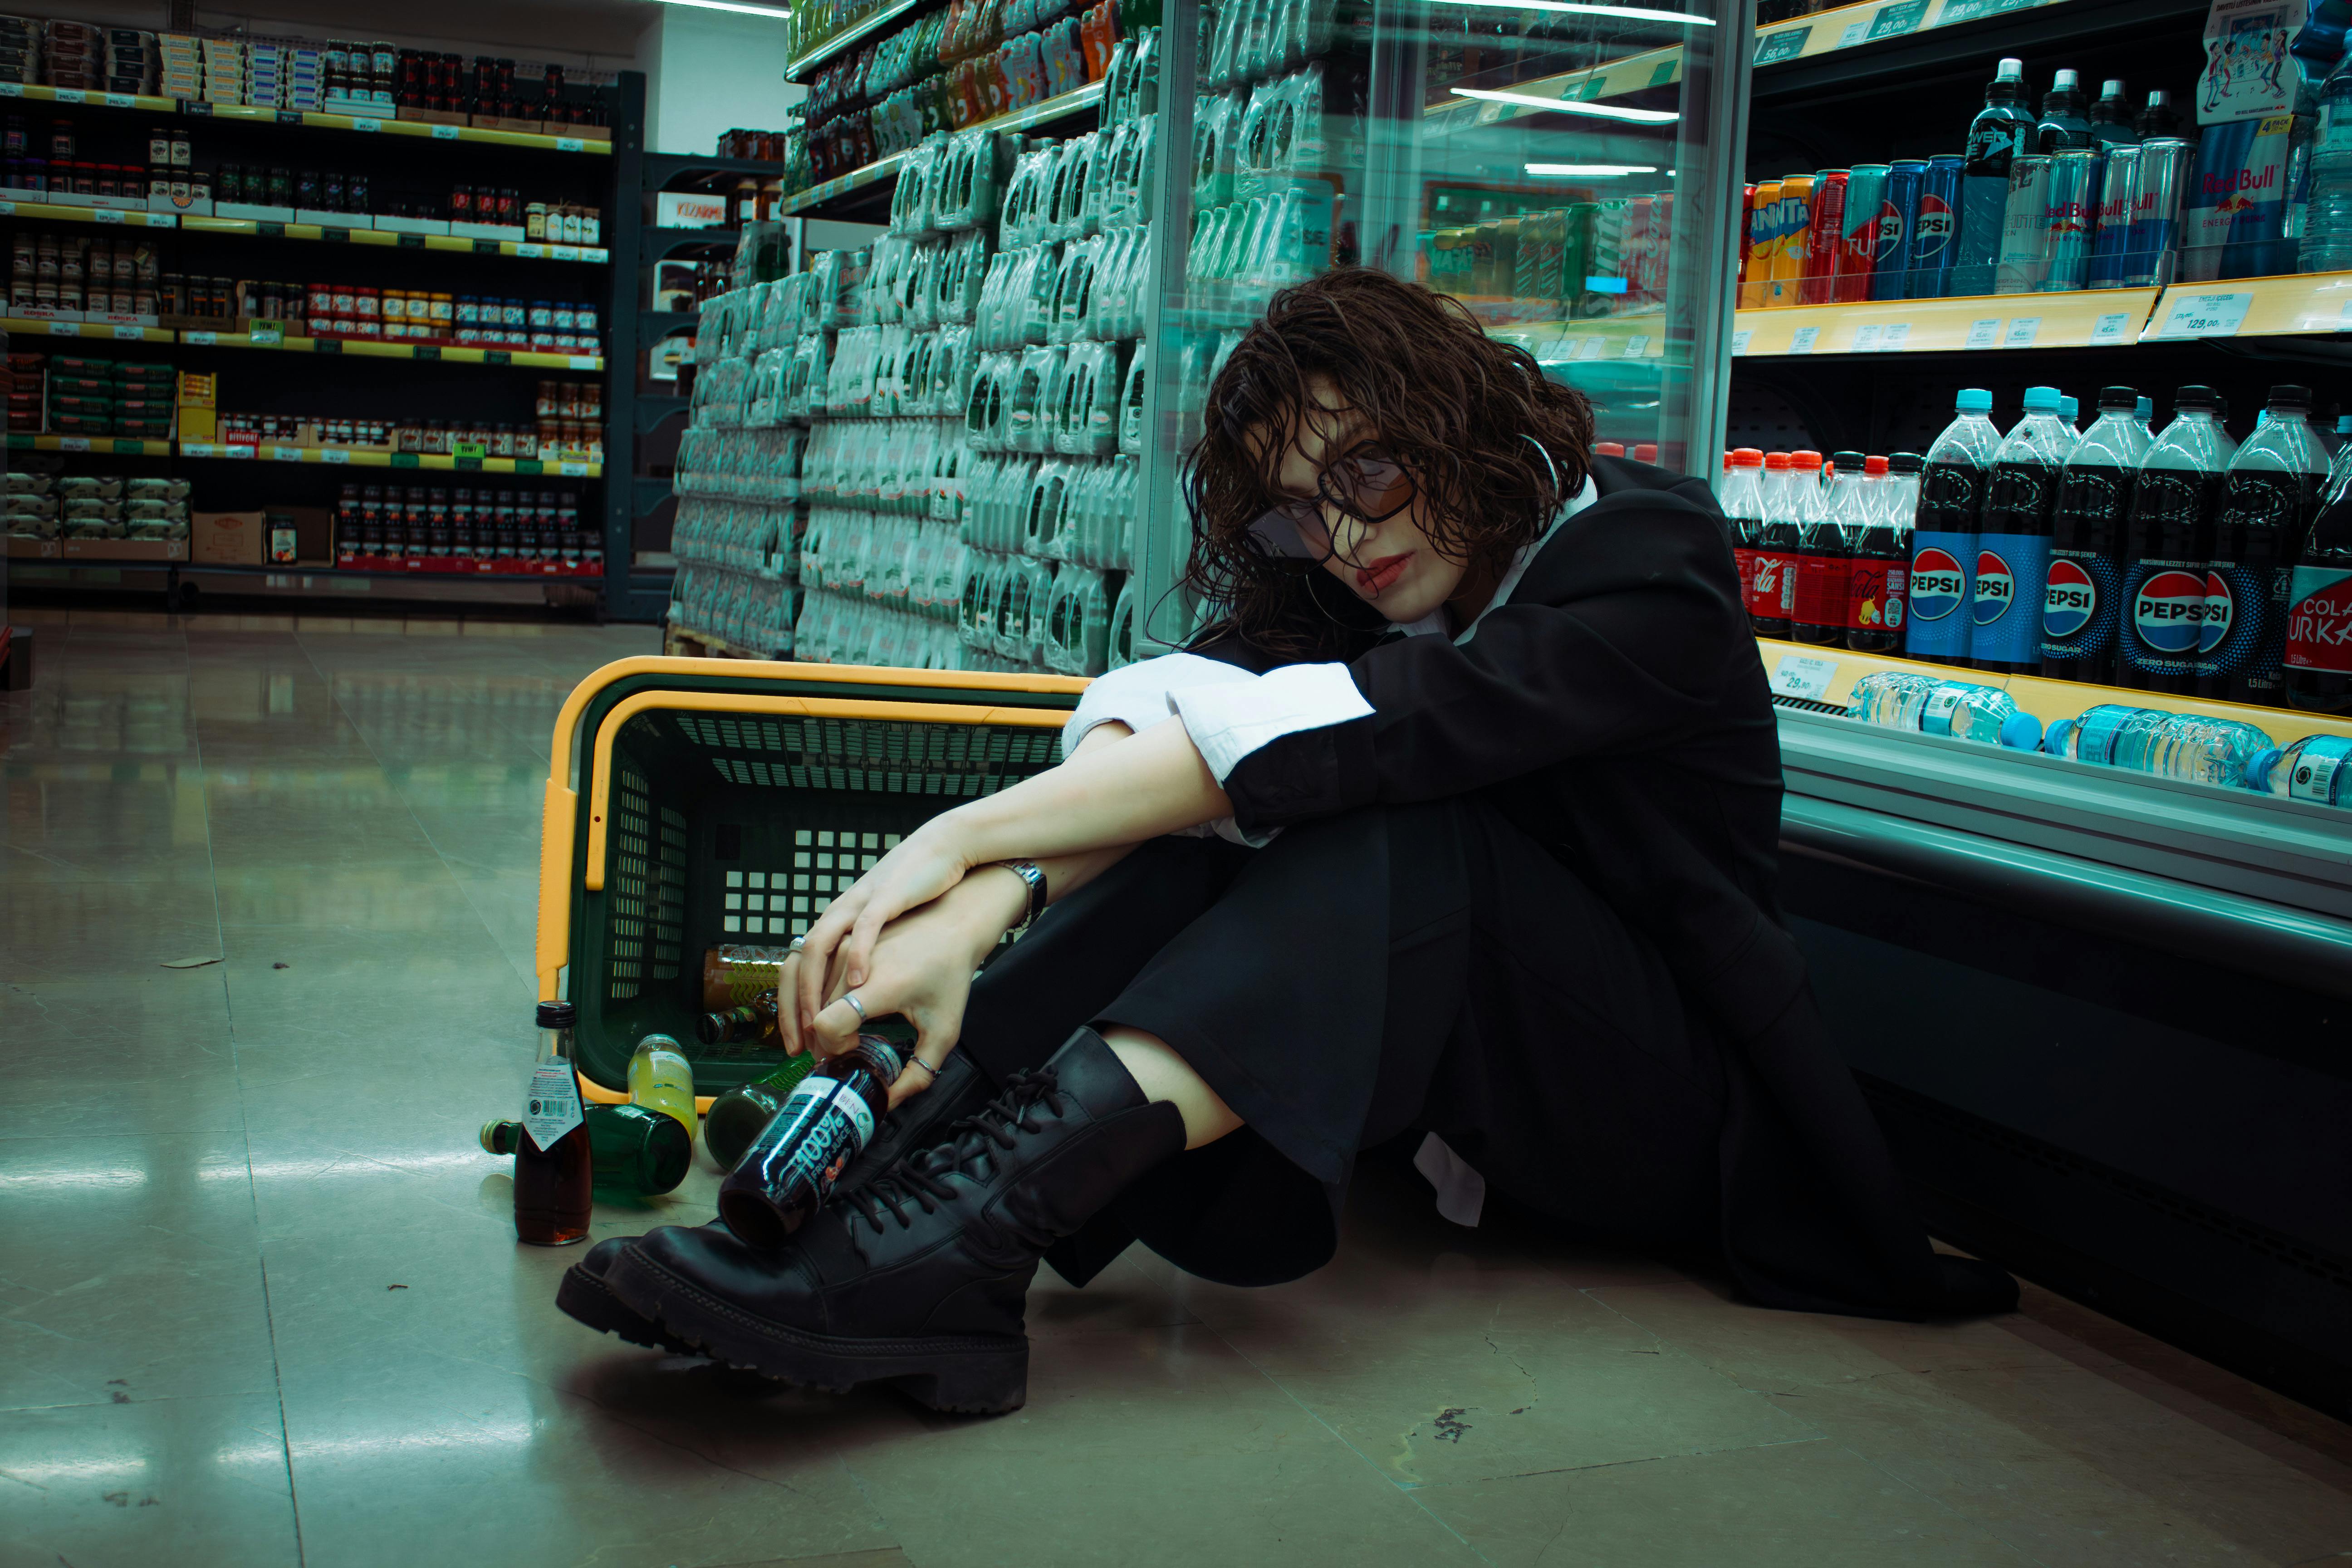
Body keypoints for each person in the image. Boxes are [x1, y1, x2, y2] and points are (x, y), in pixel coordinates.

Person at [560, 269, 2017, 1413]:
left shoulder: (1653, 561)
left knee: (1393, 823)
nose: (1347, 536)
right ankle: (876, 1207)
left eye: (1368, 474)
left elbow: (1364, 733)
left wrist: (950, 842)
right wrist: (980, 901)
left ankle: (970, 1237)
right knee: (1204, 844)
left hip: (1667, 1106)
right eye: (1302, 517)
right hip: (1479, 1094)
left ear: (1461, 414)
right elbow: (1177, 709)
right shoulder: (1373, 581)